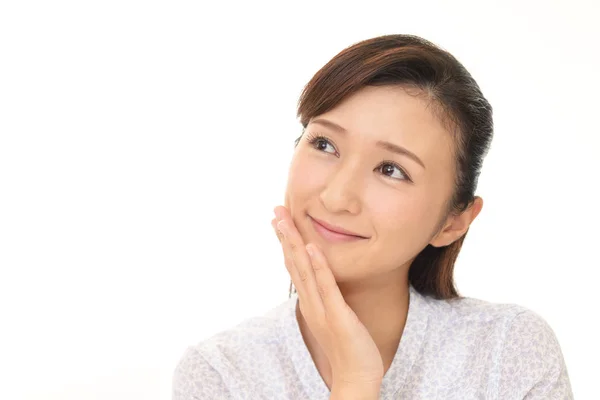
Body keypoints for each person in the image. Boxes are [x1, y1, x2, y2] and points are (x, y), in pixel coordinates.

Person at [172, 34, 573, 399]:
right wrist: (353, 382)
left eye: (391, 170)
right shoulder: (221, 374)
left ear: (453, 222)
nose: (337, 196)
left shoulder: (508, 351)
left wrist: (359, 378)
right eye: (325, 144)